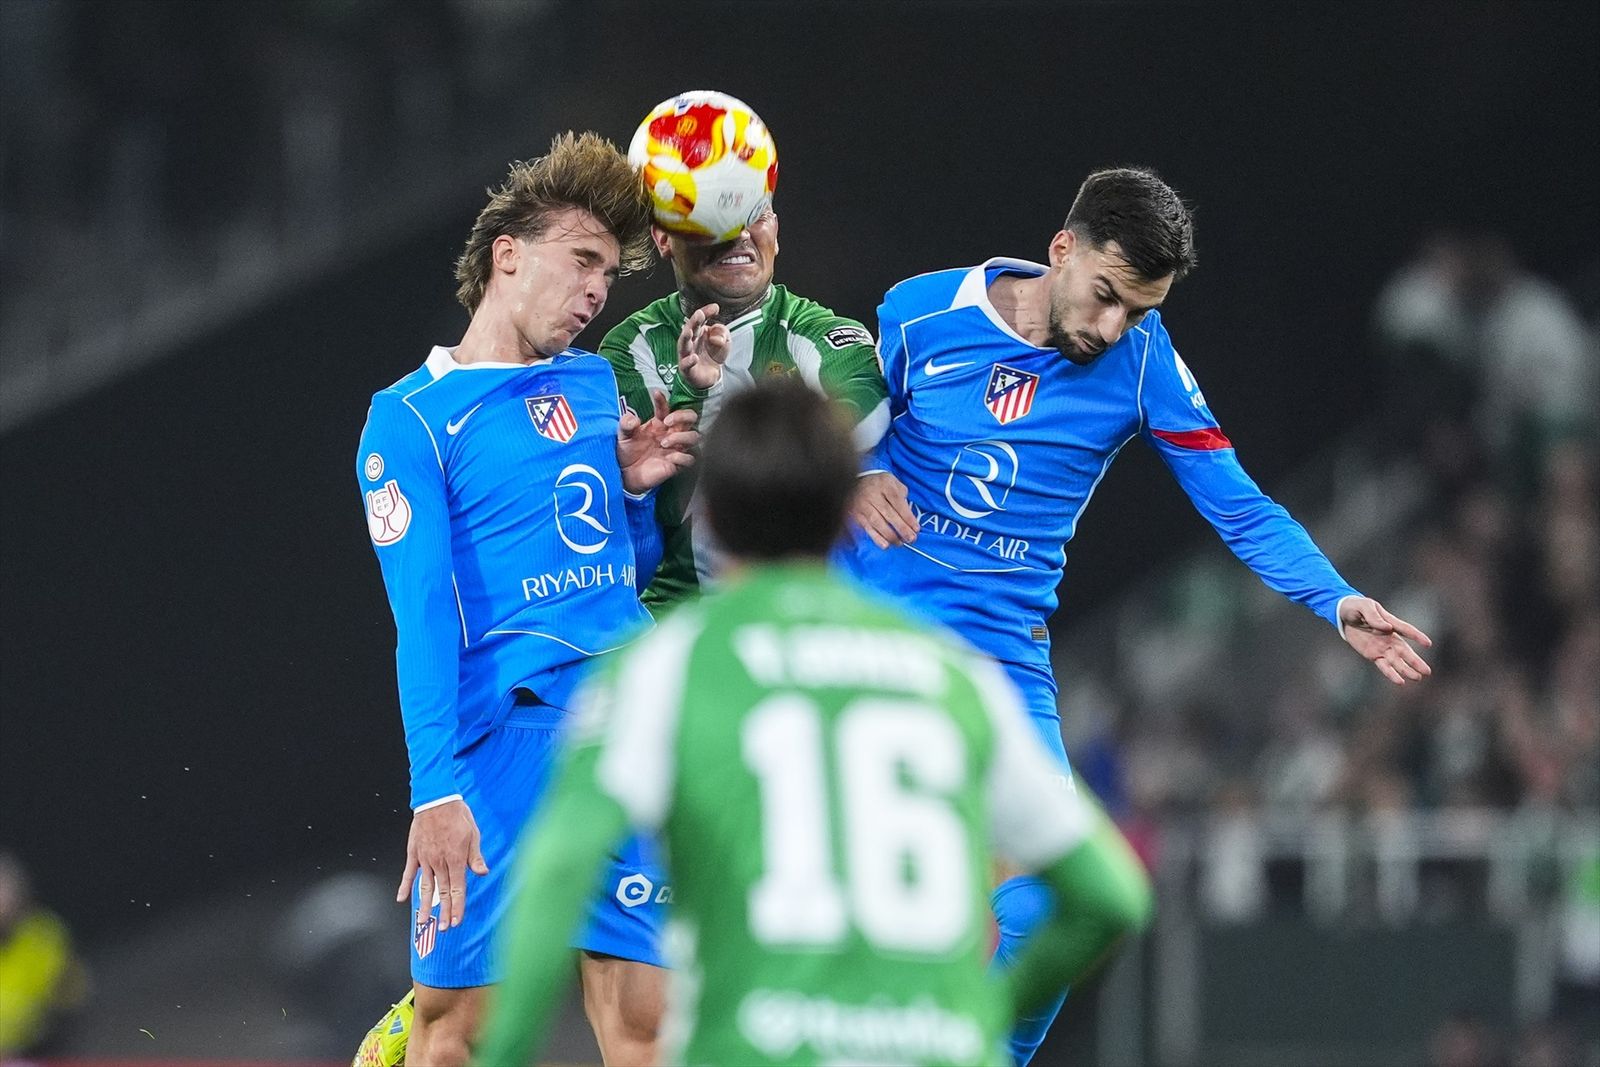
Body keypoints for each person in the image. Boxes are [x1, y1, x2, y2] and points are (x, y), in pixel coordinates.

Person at [840, 166, 1435, 1064]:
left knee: (1060, 898)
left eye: (1138, 310)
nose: (1113, 326)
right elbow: (842, 419)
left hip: (1001, 659)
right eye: (1109, 296)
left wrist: (1335, 596)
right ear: (1063, 250)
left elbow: (1236, 501)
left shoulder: (1146, 360)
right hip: (868, 636)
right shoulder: (922, 310)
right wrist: (859, 469)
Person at [471, 379, 1153, 1067]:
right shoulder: (954, 676)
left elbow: (557, 871)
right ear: (840, 516)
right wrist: (988, 1020)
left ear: (708, 515)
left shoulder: (666, 669)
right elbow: (1111, 894)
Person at [351, 132, 722, 1067]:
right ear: (507, 257)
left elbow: (609, 573)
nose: (599, 291)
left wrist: (633, 496)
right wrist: (433, 784)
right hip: (497, 750)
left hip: (623, 726)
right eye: (583, 261)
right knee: (457, 1039)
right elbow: (423, 613)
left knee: (649, 1024)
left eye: (610, 272)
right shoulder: (410, 420)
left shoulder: (596, 383)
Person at [600, 93, 888, 609]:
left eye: (756, 213)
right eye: (713, 219)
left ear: (776, 225)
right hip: (675, 624)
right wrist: (694, 391)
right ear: (664, 239)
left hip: (801, 618)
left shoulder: (826, 337)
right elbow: (642, 514)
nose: (739, 236)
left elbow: (846, 444)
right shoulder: (632, 347)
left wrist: (720, 385)